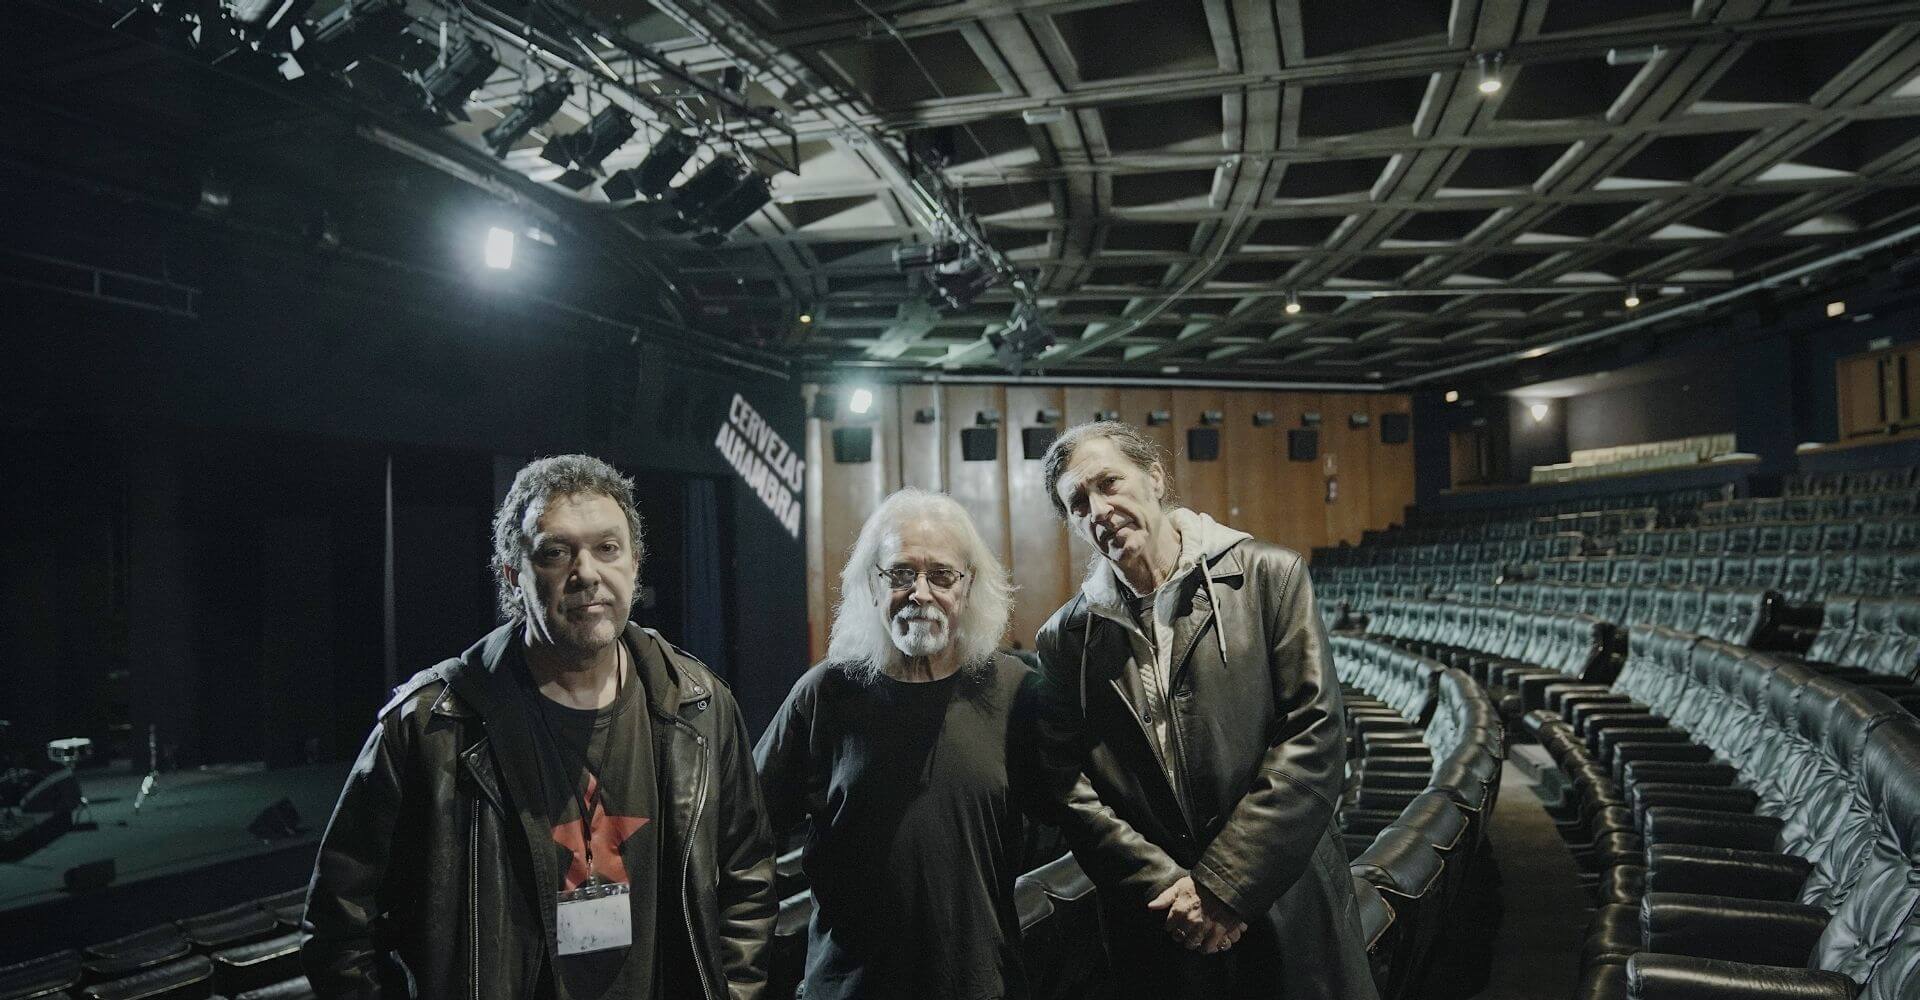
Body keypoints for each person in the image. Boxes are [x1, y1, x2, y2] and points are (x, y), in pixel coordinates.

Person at [302, 454, 775, 1000]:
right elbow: (340, 927)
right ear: (513, 575)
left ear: (635, 564)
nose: (587, 573)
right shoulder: (430, 727)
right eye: (555, 553)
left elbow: (748, 880)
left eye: (607, 548)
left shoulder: (701, 707)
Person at [1026, 422, 1377, 999]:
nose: (1099, 509)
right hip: (1161, 919)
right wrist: (1171, 888)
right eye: (1078, 502)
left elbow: (1314, 737)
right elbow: (1069, 788)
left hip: (1284, 899)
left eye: (1109, 483)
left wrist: (1222, 886)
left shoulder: (1271, 576)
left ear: (1156, 479)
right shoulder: (1065, 639)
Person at [755, 488, 1032, 1000]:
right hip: (849, 990)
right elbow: (744, 836)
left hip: (982, 987)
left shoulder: (1014, 691)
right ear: (873, 585)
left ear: (969, 587)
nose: (920, 592)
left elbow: (1077, 812)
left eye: (941, 575)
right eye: (901, 573)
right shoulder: (825, 695)